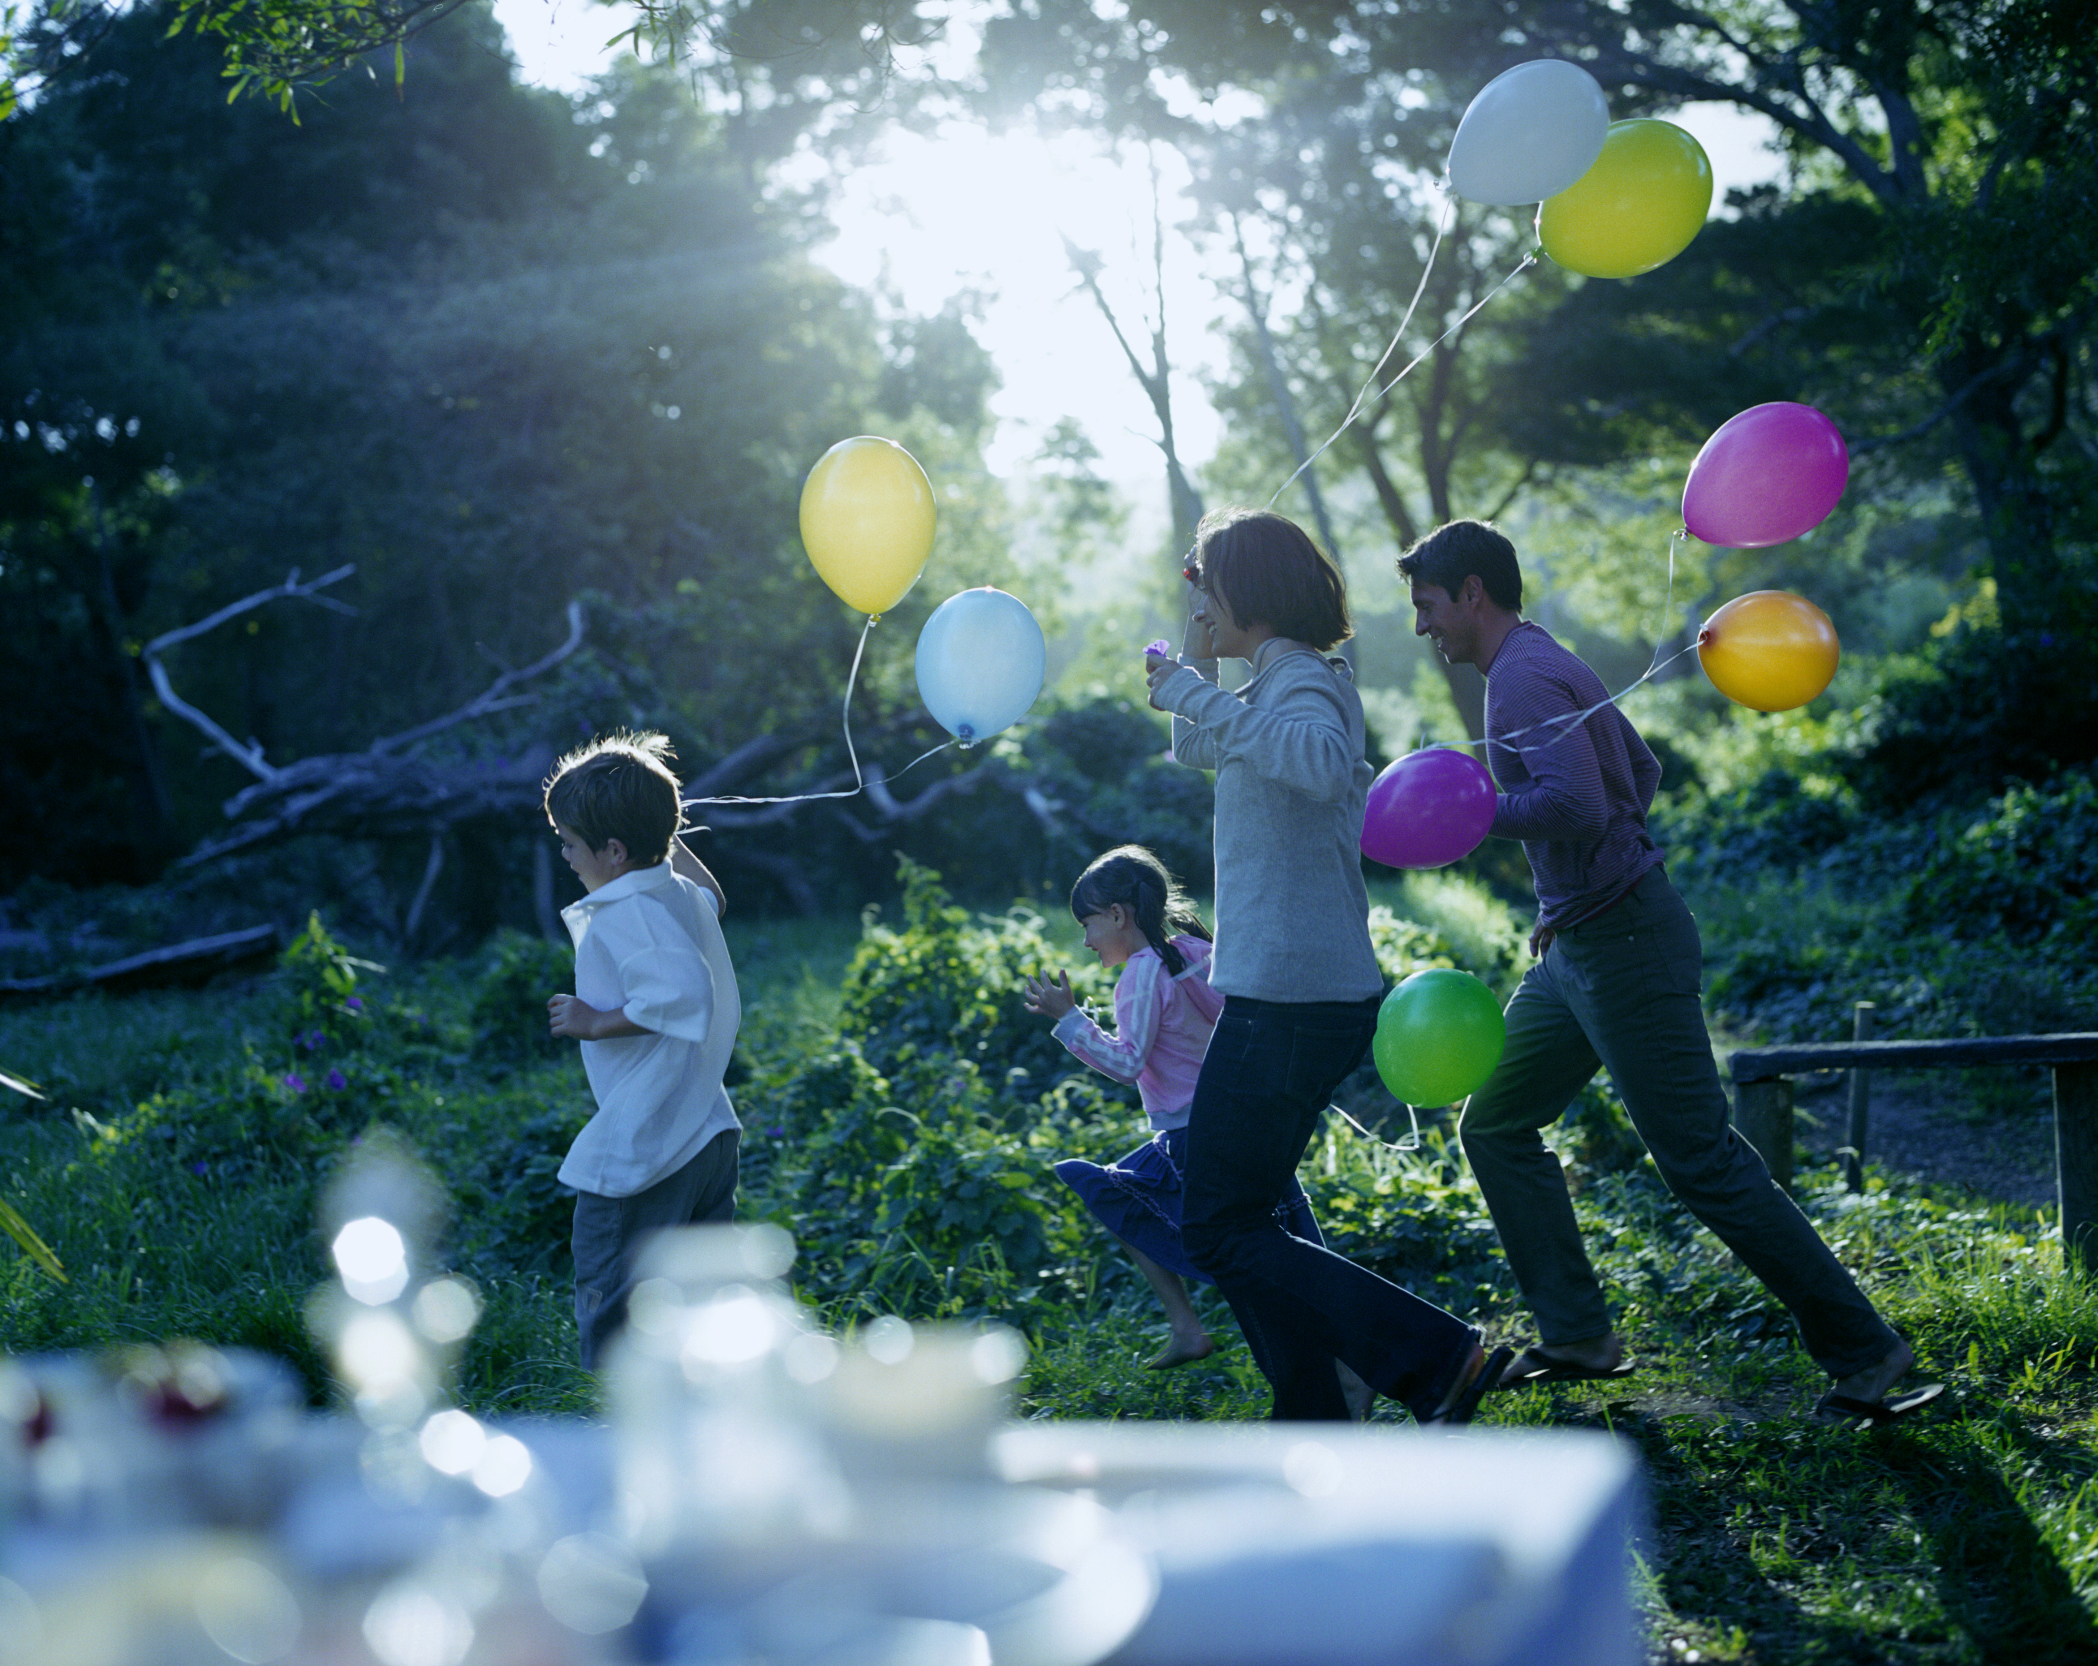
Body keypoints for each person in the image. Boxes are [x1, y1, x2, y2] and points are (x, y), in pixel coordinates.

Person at [1401, 519, 1939, 1426]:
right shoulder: (1536, 666)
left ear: (1471, 594)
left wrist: (1474, 813)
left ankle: (1868, 1352)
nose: (1422, 627)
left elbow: (1576, 798)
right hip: (1578, 946)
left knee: (1701, 1161)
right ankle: (1578, 1334)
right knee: (1493, 1123)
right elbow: (1637, 774)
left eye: (1426, 606)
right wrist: (1570, 891)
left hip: (1627, 945)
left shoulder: (1525, 676)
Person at [1145, 507, 1507, 1424]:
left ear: (1252, 593)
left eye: (1213, 588)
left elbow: (1311, 759)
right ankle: (1314, 1416)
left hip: (1291, 1000)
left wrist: (1194, 688)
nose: (1205, 602)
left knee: (1217, 1225)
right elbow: (1195, 743)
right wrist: (1197, 649)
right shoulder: (1268, 683)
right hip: (1286, 994)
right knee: (1243, 1223)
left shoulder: (1304, 682)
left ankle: (1438, 1357)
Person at [1022, 845, 1329, 1374]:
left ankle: (1328, 1366)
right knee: (1295, 1245)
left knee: (1130, 1204)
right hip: (1246, 1119)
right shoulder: (1194, 951)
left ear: (1118, 915)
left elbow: (1126, 1062)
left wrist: (1070, 1019)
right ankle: (1197, 1330)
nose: (1086, 940)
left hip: (1193, 1138)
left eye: (1088, 923)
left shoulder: (1140, 974)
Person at [543, 731, 743, 1371]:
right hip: (709, 1130)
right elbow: (712, 895)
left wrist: (594, 1020)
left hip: (651, 1142)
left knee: (612, 1287)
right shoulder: (674, 894)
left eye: (571, 843)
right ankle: (704, 1399)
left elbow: (684, 994)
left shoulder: (625, 911)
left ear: (615, 851)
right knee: (702, 1295)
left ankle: (616, 1418)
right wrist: (665, 835)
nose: (567, 854)